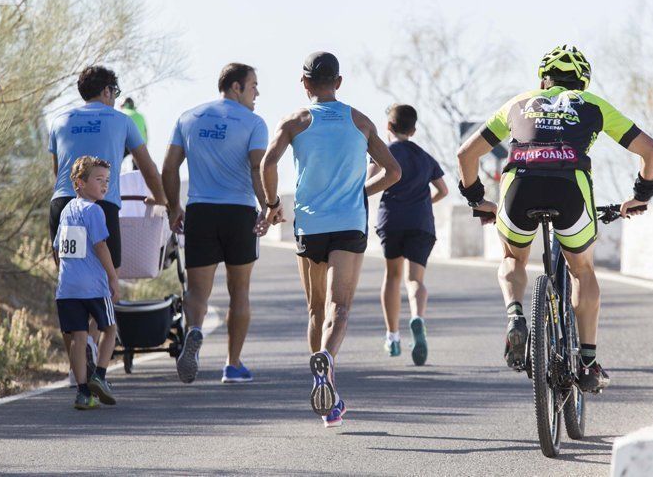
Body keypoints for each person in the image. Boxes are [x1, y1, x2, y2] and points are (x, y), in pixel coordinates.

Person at [456, 44, 653, 393]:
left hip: (519, 184)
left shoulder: (518, 102)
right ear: (582, 82)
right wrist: (641, 195)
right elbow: (651, 151)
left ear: (542, 79)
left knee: (512, 257)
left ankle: (515, 315)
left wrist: (478, 200)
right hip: (570, 187)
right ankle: (587, 361)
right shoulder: (593, 105)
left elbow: (466, 154)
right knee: (581, 269)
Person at [260, 51, 401, 427]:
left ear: (304, 83)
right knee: (340, 308)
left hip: (309, 225)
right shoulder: (360, 121)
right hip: (349, 222)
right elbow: (393, 171)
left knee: (315, 309)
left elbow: (267, 164)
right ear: (339, 82)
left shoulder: (295, 121)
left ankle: (325, 385)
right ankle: (327, 363)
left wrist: (272, 204)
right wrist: (360, 192)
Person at [49, 65, 168, 378]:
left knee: (70, 283)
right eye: (114, 92)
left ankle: (78, 368)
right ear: (107, 91)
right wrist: (161, 199)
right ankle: (90, 344)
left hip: (63, 205)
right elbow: (148, 168)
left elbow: (58, 170)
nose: (115, 97)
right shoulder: (121, 120)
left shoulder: (59, 119)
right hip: (101, 207)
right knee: (102, 282)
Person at [162, 63, 270, 385]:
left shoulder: (188, 117)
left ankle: (194, 331)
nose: (257, 93)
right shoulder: (254, 123)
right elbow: (256, 170)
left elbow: (169, 169)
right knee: (240, 291)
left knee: (197, 292)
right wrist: (269, 208)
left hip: (201, 211)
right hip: (239, 214)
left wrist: (173, 208)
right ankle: (232, 364)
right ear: (236, 87)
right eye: (253, 86)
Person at [368, 104, 448, 365]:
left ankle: (392, 336)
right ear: (413, 130)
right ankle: (418, 318)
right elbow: (443, 190)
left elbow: (369, 181)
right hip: (421, 222)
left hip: (392, 220)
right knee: (415, 280)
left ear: (388, 127)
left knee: (392, 276)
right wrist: (425, 204)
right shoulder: (424, 156)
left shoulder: (384, 153)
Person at [54, 156, 120, 410]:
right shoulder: (94, 210)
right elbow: (100, 245)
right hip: (93, 286)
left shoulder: (66, 210)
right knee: (110, 328)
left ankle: (83, 393)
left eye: (107, 181)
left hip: (67, 288)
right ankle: (100, 376)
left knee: (78, 338)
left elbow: (58, 247)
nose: (105, 186)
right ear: (80, 183)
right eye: (98, 180)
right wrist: (113, 277)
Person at [121, 97, 148, 171]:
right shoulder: (140, 116)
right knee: (137, 166)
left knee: (115, 162)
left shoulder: (123, 113)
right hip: (141, 144)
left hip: (126, 143)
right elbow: (145, 132)